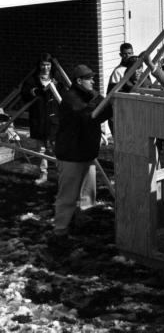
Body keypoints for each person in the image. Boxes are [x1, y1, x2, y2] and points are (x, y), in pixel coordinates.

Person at [50, 64, 112, 249]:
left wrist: (108, 103)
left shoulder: (88, 95)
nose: (93, 81)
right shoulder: (71, 99)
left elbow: (103, 112)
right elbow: (88, 116)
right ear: (79, 81)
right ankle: (60, 230)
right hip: (70, 155)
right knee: (68, 195)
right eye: (89, 78)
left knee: (87, 194)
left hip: (86, 153)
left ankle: (82, 221)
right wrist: (103, 103)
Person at [21, 52, 66, 184]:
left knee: (57, 147)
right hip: (39, 117)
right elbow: (25, 94)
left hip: (54, 118)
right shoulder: (32, 80)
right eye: (43, 65)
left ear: (51, 66)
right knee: (41, 148)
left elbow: (64, 96)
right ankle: (43, 174)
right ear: (39, 65)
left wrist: (57, 86)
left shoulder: (57, 79)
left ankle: (62, 175)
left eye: (48, 65)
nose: (45, 68)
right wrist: (37, 91)